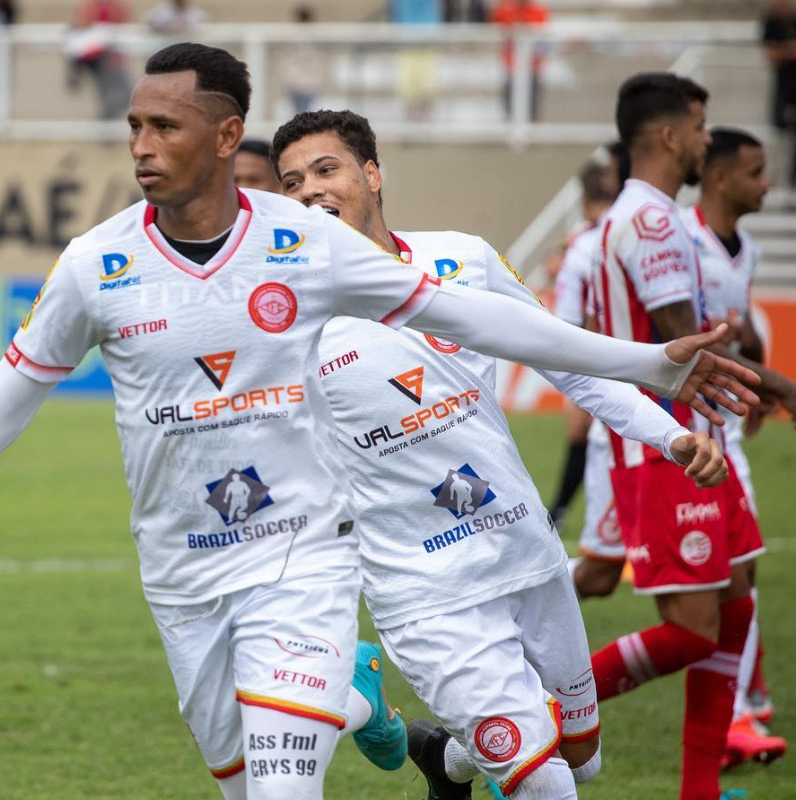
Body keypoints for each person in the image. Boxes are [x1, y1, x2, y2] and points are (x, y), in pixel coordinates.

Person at [0, 45, 757, 800]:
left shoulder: (318, 251)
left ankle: (401, 730)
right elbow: (8, 395)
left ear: (226, 138)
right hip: (199, 577)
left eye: (163, 126)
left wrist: (646, 370)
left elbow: (495, 322)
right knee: (264, 780)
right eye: (132, 125)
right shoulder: (97, 265)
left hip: (325, 566)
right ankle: (375, 712)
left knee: (447, 778)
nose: (140, 145)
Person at [271, 108, 726, 800]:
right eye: (291, 182)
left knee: (580, 759)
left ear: (371, 173)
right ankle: (479, 747)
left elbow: (563, 361)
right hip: (424, 594)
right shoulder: (283, 320)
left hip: (525, 554)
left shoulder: (463, 259)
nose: (309, 190)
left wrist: (669, 434)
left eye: (325, 170)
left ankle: (447, 758)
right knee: (545, 783)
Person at [588, 72, 796, 800]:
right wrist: (782, 388)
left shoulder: (662, 218)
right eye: (702, 127)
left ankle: (700, 790)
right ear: (672, 135)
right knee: (694, 629)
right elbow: (683, 341)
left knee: (737, 600)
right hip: (662, 444)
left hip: (699, 440)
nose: (709, 140)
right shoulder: (647, 221)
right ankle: (536, 718)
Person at [680, 127, 786, 768]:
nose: (766, 183)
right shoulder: (680, 241)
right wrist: (780, 387)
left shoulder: (741, 250)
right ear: (719, 177)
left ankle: (743, 706)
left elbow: (735, 339)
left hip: (726, 428)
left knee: (740, 573)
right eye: (755, 171)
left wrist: (756, 382)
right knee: (708, 590)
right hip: (685, 435)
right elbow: (683, 342)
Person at [547, 147, 624, 535]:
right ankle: (562, 511)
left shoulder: (587, 240)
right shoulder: (596, 236)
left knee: (585, 434)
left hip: (590, 350)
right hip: (622, 351)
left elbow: (562, 287)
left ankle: (564, 513)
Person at [66, 0, 132, 120]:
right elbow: (80, 26)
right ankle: (103, 124)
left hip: (108, 55)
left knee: (123, 95)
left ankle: (104, 122)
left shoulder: (111, 6)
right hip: (98, 57)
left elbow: (122, 25)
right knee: (112, 95)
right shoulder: (91, 6)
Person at [491, 0, 549, 122]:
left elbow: (543, 39)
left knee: (532, 101)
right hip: (511, 64)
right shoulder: (506, 9)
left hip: (532, 66)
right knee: (509, 101)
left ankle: (531, 127)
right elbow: (495, 25)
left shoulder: (538, 11)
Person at [762, 0, 796, 195]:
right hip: (783, 89)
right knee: (780, 130)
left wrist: (782, 50)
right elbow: (771, 54)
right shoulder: (771, 22)